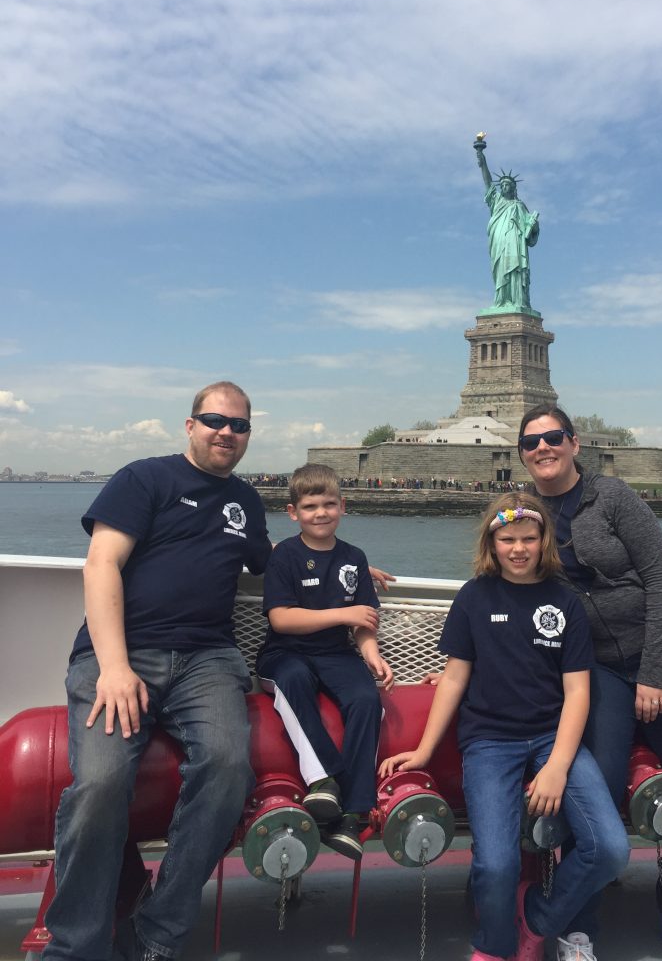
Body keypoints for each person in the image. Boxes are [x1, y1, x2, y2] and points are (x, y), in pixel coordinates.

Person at [43, 381, 272, 961]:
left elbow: (274, 565)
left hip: (208, 659)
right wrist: (115, 667)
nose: (227, 432)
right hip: (122, 652)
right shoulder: (145, 478)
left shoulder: (246, 502)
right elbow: (101, 564)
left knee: (228, 770)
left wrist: (347, 565)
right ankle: (76, 947)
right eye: (215, 420)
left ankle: (158, 932)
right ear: (190, 425)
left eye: (239, 425)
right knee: (99, 785)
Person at [517, 404, 662, 961]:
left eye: (553, 437)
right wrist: (468, 661)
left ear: (574, 444)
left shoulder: (613, 496)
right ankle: (579, 932)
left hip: (661, 657)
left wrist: (653, 673)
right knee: (593, 798)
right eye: (531, 442)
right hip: (593, 668)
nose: (543, 448)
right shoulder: (523, 511)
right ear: (521, 455)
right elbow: (502, 588)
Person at [380, 493, 628, 961]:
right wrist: (424, 750)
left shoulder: (564, 603)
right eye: (508, 539)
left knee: (610, 849)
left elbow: (578, 692)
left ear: (544, 541)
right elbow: (455, 678)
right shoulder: (473, 597)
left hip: (552, 737)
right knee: (496, 865)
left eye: (528, 539)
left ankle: (538, 920)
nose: (518, 549)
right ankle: (494, 946)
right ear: (491, 543)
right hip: (490, 741)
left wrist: (557, 767)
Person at [257, 464, 394, 860]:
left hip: (337, 653)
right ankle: (323, 781)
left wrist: (372, 654)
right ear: (293, 512)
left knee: (366, 700)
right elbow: (281, 619)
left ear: (342, 506)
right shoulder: (285, 556)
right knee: (295, 678)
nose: (321, 513)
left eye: (329, 504)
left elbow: (364, 623)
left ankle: (353, 813)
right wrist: (342, 614)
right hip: (285, 653)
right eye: (310, 506)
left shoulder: (354, 558)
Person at [475, 136, 540, 312]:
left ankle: (518, 301)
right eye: (502, 185)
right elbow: (488, 182)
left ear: (513, 188)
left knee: (516, 270)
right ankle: (501, 301)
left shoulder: (519, 206)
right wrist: (482, 159)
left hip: (515, 243)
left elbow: (530, 232)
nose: (504, 187)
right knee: (501, 269)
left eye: (507, 185)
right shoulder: (496, 201)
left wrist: (534, 226)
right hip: (499, 241)